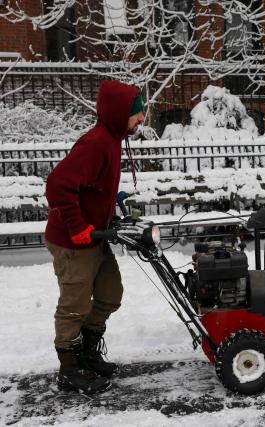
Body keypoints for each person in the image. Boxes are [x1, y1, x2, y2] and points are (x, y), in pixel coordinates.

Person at [44, 80, 145, 394]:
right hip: (72, 242)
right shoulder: (97, 142)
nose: (141, 119)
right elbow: (58, 185)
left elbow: (93, 187)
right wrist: (77, 226)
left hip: (95, 238)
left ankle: (87, 353)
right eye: (136, 114)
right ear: (118, 113)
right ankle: (70, 369)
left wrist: (110, 208)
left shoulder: (113, 139)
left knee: (110, 293)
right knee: (74, 305)